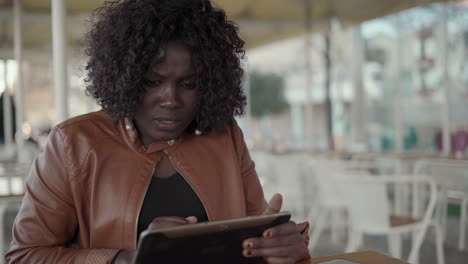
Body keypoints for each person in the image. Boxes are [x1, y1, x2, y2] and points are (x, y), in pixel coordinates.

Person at [6, 0, 310, 263]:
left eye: (188, 84)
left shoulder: (225, 136)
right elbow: (25, 255)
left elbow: (254, 239)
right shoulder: (72, 144)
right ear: (125, 77)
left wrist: (284, 247)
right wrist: (130, 258)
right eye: (153, 82)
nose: (171, 100)